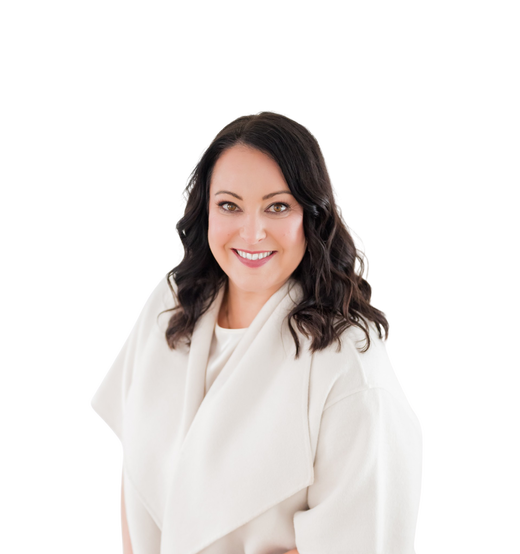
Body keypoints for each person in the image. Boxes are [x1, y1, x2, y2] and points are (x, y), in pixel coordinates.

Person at [90, 110, 424, 554]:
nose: (252, 233)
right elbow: (136, 475)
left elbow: (362, 541)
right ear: (205, 210)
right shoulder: (168, 305)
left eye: (277, 206)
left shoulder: (349, 364)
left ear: (312, 215)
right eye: (229, 205)